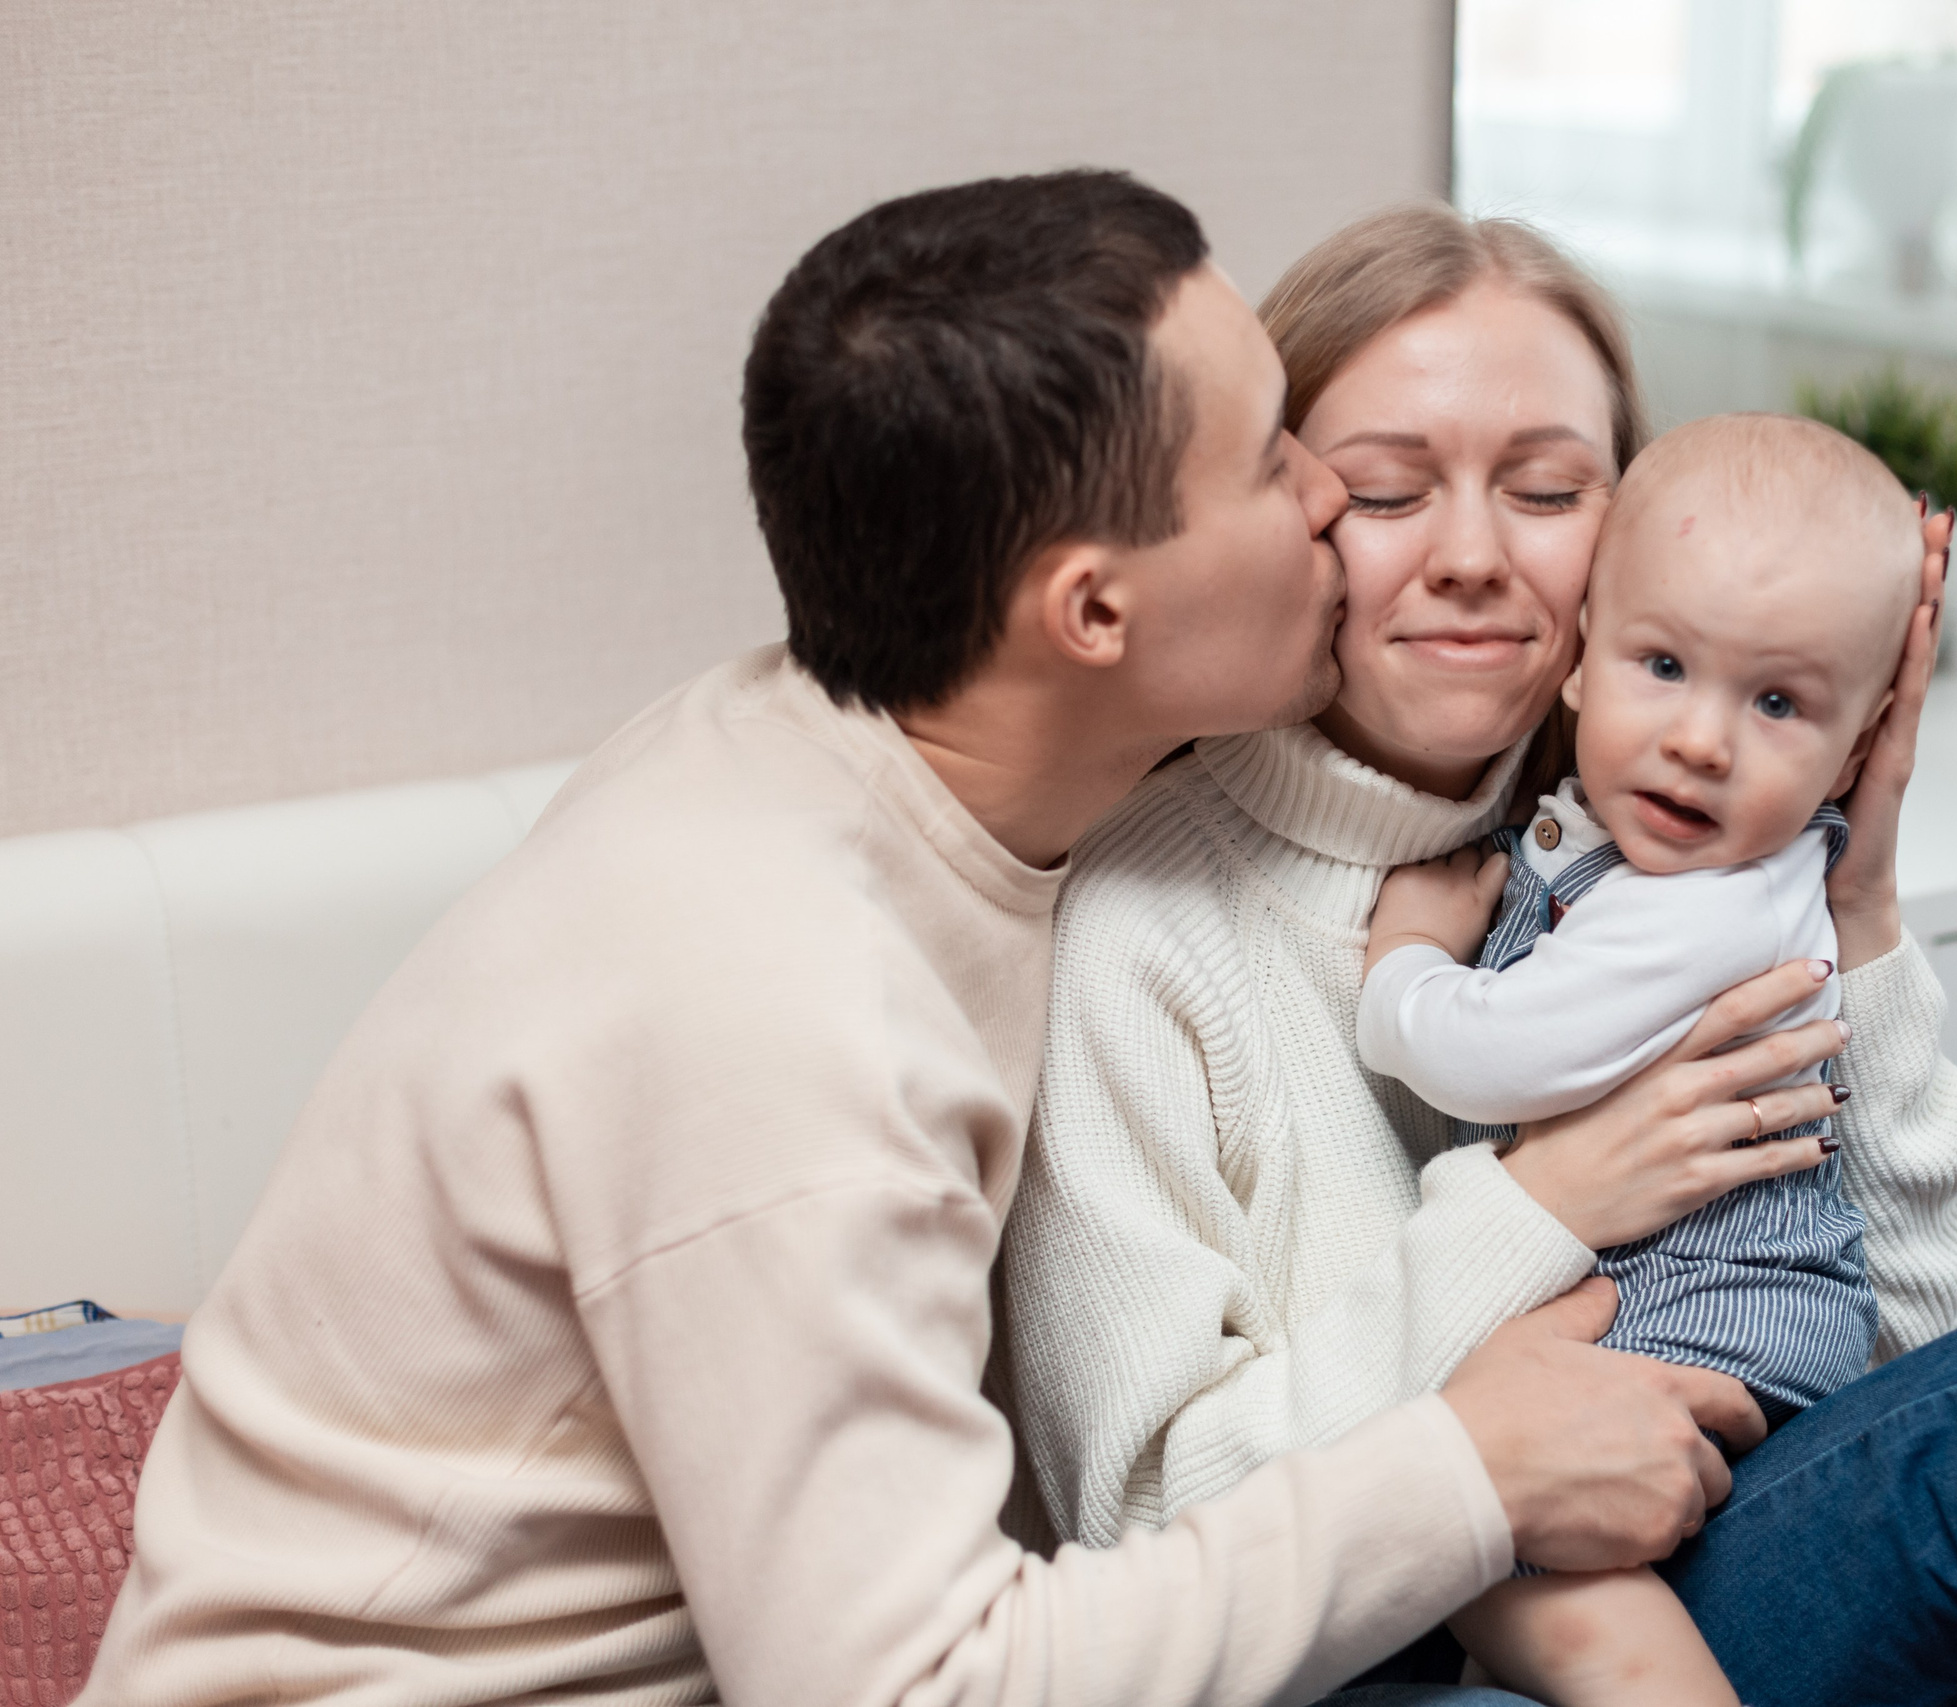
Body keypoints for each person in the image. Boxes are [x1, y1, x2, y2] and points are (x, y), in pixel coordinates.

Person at [82, 172, 1765, 1707]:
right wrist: (1467, 1469)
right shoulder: (779, 1007)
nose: (1337, 499)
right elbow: (912, 1691)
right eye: (1278, 462)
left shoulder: (870, 757)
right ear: (1095, 613)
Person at [1000, 203, 1957, 1704]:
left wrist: (1863, 915)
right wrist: (1541, 1208)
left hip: (1731, 1536)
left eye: (1545, 491)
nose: (1474, 555)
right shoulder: (1151, 931)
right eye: (1392, 488)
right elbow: (1139, 1530)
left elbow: (1897, 1339)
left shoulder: (1660, 840)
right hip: (1421, 1663)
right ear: (1291, 513)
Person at [1355, 413, 1926, 1707]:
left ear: (1858, 745)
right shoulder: (1626, 842)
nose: (1703, 740)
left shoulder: (1706, 905)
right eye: (1662, 664)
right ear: (1579, 659)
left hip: (1714, 1311)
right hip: (1710, 1308)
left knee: (1512, 1546)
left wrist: (1401, 969)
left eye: (1778, 703)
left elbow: (1499, 1055)